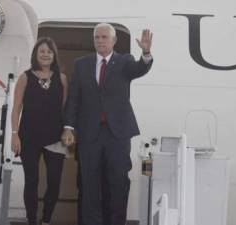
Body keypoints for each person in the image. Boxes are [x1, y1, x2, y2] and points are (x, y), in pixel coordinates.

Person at [62, 23, 153, 225]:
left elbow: (140, 68)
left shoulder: (125, 62)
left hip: (117, 134)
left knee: (118, 183)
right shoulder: (82, 64)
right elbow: (74, 98)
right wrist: (68, 127)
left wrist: (146, 53)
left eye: (104, 37)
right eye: (97, 37)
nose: (100, 41)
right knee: (89, 184)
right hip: (89, 134)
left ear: (113, 41)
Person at [11, 37, 68, 225]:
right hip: (29, 137)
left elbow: (65, 109)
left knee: (54, 183)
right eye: (42, 51)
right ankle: (31, 220)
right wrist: (15, 134)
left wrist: (68, 132)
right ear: (36, 54)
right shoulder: (25, 77)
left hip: (55, 138)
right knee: (32, 181)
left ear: (54, 56)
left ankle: (46, 220)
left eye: (49, 52)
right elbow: (16, 108)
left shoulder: (62, 78)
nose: (45, 54)